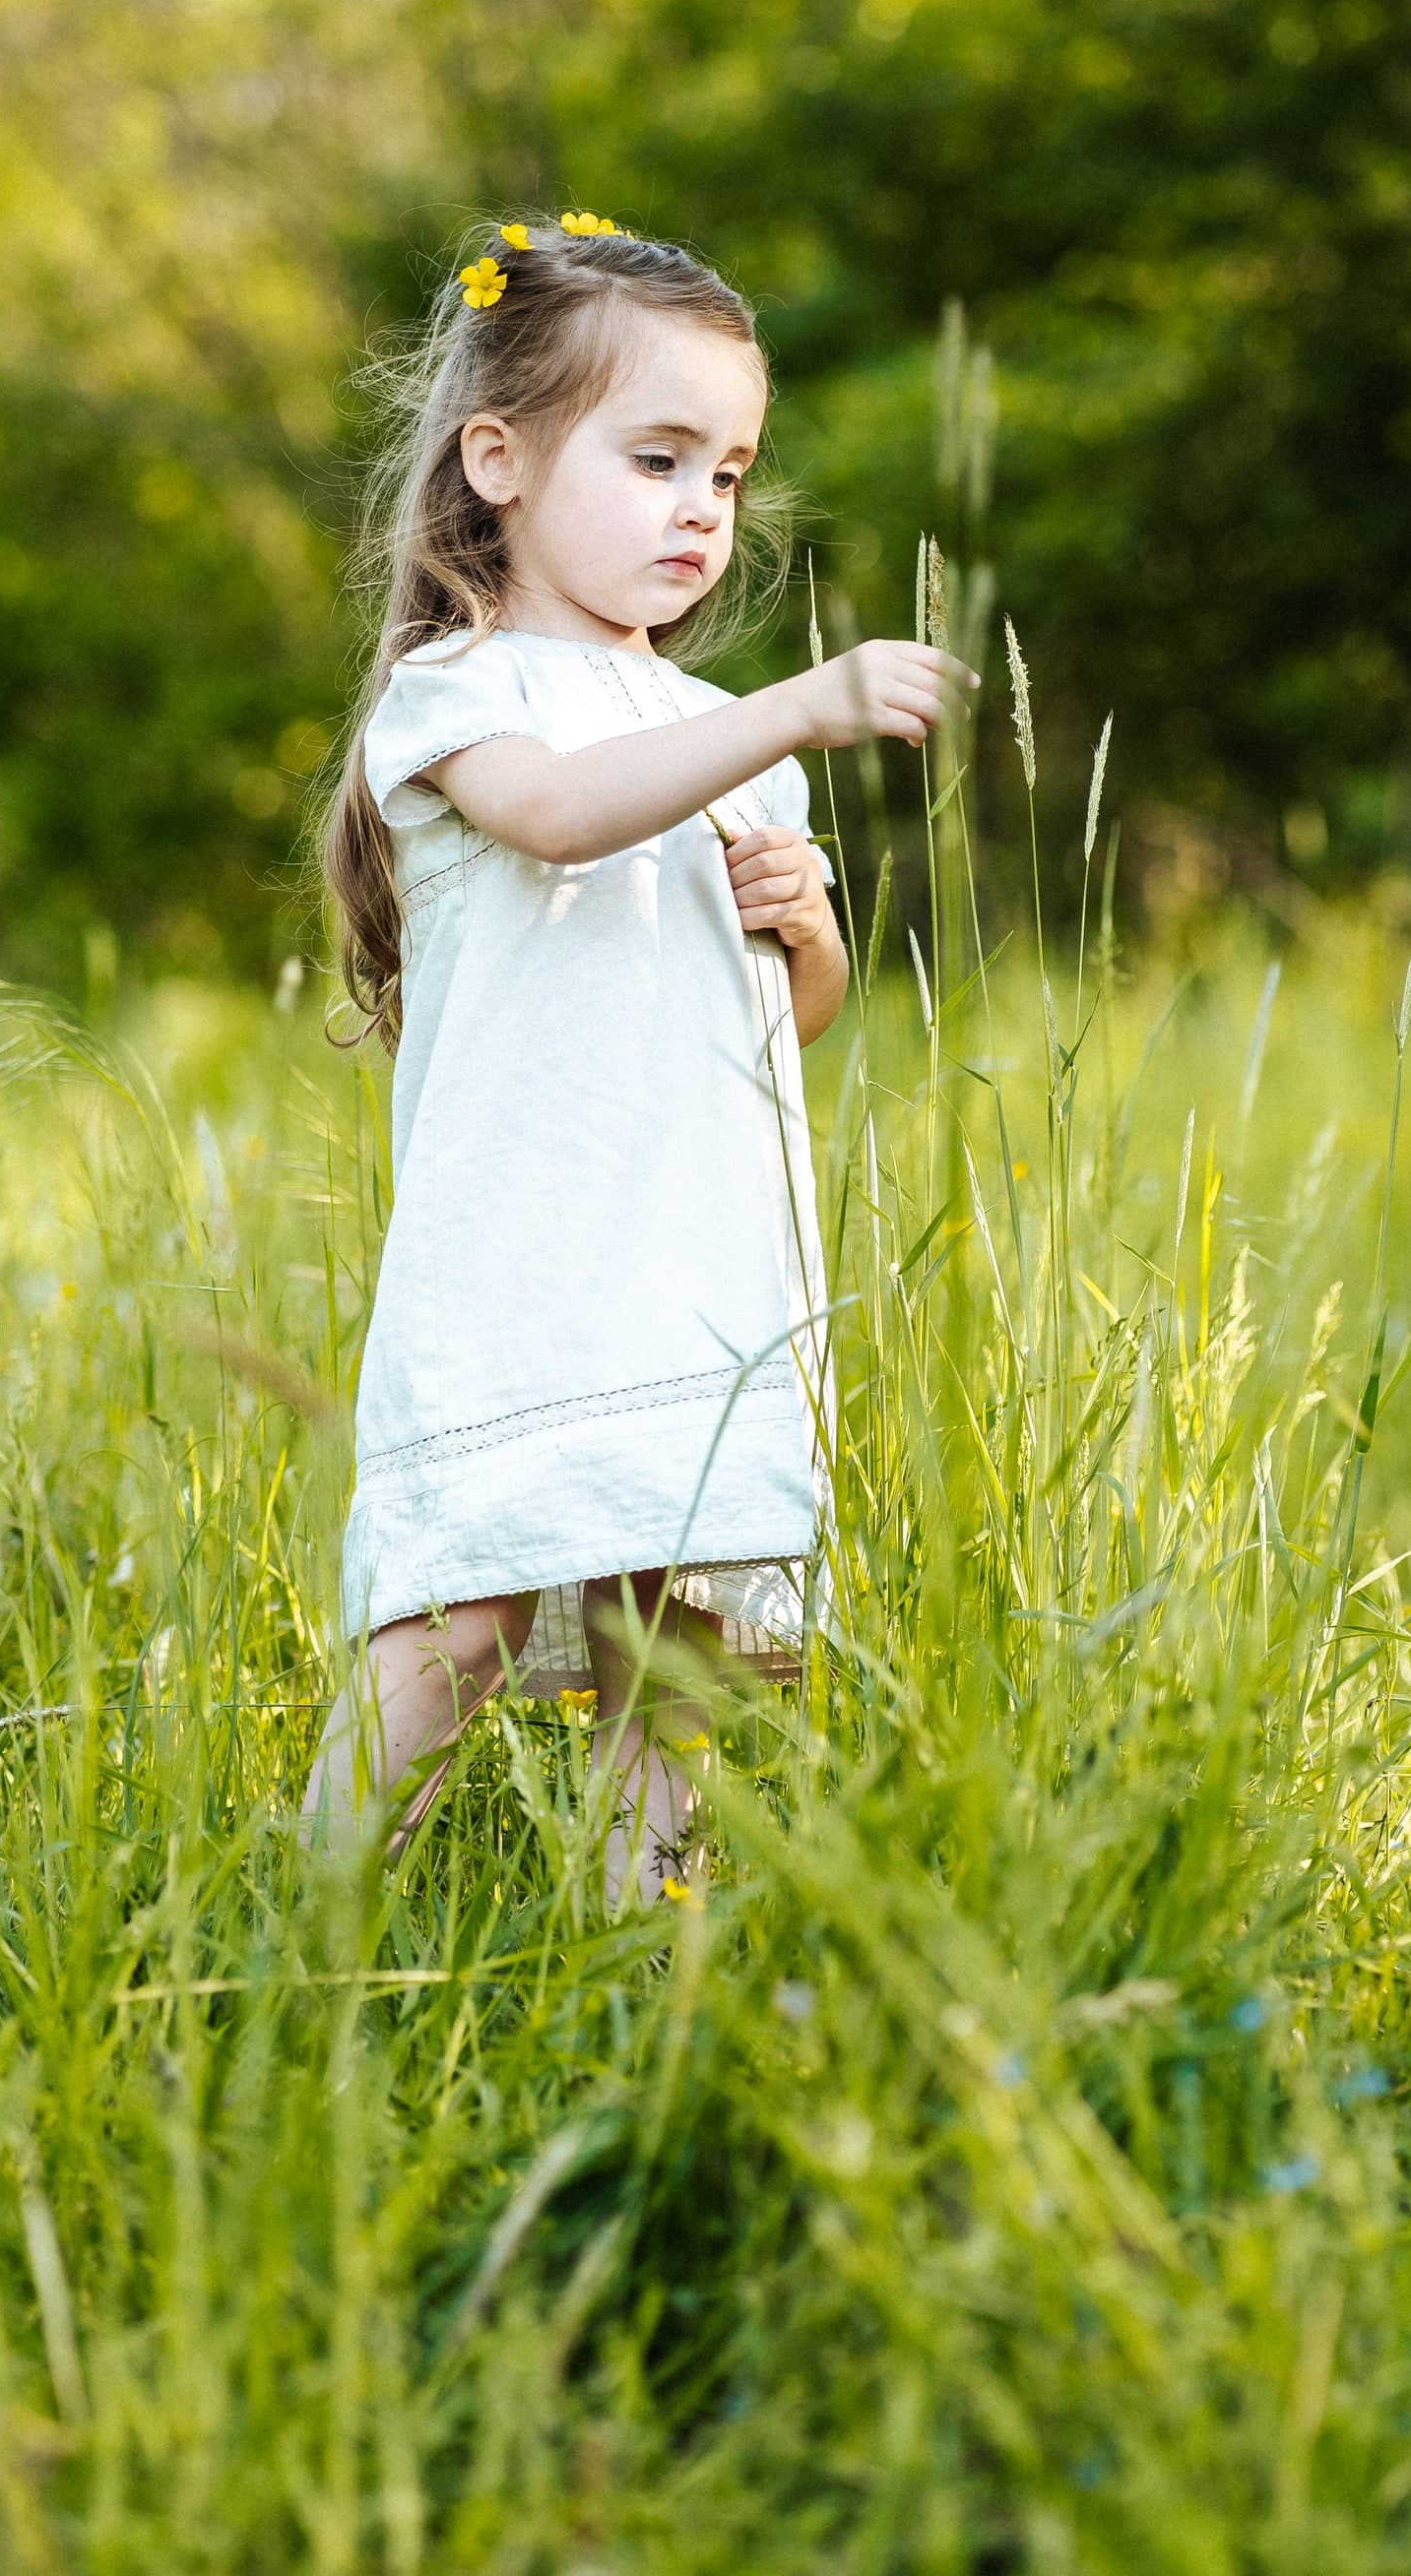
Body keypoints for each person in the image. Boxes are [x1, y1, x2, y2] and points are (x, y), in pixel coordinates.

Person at [307, 213, 976, 1899]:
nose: (702, 510)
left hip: (696, 1252)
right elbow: (555, 820)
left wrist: (808, 933)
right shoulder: (458, 698)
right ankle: (307, 1918)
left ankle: (631, 1958)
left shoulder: (720, 734)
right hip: (529, 1239)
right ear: (503, 459)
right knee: (461, 1609)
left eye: (731, 475)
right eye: (659, 456)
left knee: (669, 1632)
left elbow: (773, 1028)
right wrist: (791, 713)